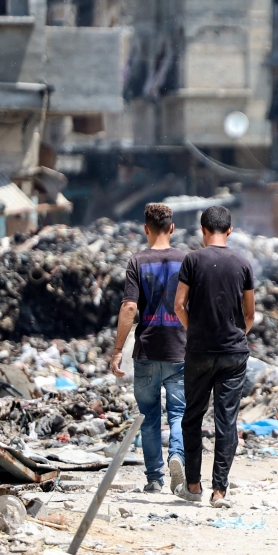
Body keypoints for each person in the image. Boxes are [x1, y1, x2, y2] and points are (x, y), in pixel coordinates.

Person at [173, 205, 255, 507]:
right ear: (229, 230)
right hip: (233, 353)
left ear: (202, 230)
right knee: (226, 421)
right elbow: (250, 313)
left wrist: (194, 331)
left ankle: (193, 486)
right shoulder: (243, 263)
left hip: (198, 352)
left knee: (192, 417)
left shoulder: (192, 260)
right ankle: (219, 491)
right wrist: (235, 335)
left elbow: (179, 305)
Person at [110, 204, 188, 494]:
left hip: (145, 351)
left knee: (149, 416)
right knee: (179, 413)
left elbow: (130, 306)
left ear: (146, 229)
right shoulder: (187, 260)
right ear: (172, 228)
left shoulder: (137, 261)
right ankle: (177, 456)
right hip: (179, 350)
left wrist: (118, 349)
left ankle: (154, 478)